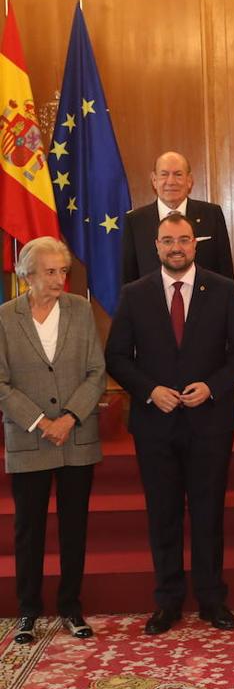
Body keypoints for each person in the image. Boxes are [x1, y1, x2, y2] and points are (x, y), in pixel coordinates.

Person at [106, 213, 234, 635]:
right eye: (168, 240)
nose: (176, 247)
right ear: (155, 247)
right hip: (155, 423)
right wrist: (150, 391)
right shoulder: (135, 294)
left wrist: (213, 386)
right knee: (163, 515)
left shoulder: (222, 289)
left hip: (210, 421)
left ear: (195, 245)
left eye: (183, 240)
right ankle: (168, 601)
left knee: (208, 514)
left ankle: (212, 599)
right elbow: (116, 357)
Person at [0, 237, 105, 644]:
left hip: (76, 437)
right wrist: (42, 421)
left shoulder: (80, 310)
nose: (60, 278)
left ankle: (70, 607)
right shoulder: (6, 317)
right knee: (29, 529)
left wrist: (70, 417)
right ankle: (28, 610)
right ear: (27, 275)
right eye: (50, 272)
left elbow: (96, 371)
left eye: (63, 271)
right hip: (30, 439)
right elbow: (2, 382)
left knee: (74, 527)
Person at [121, 151, 234, 283]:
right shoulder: (135, 221)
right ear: (154, 180)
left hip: (205, 300)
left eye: (178, 174)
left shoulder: (212, 214)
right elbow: (128, 278)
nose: (171, 181)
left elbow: (226, 273)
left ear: (189, 180)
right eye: (164, 174)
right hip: (151, 302)